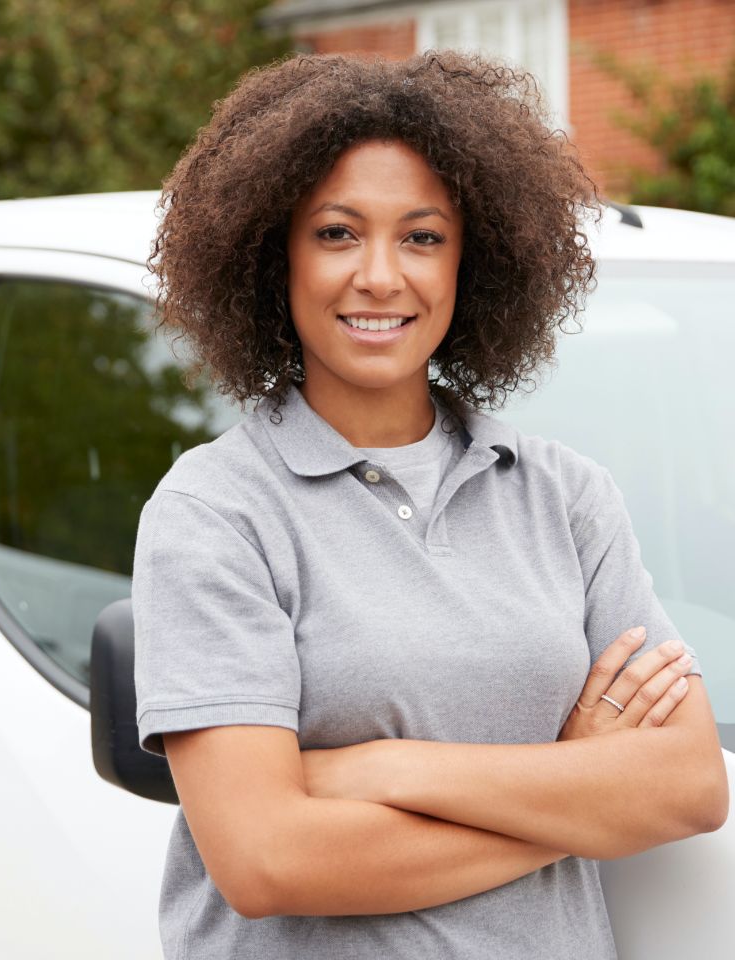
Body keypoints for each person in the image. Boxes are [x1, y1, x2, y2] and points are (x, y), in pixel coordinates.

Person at [131, 51, 728, 959]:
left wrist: (383, 769)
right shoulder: (217, 511)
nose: (380, 276)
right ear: (272, 254)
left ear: (472, 260)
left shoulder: (565, 496)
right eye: (336, 232)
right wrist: (578, 793)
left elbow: (686, 786)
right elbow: (265, 861)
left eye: (422, 235)